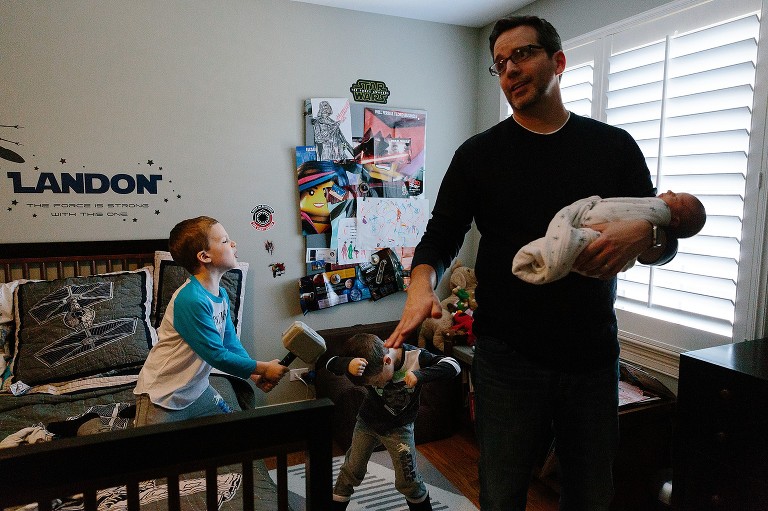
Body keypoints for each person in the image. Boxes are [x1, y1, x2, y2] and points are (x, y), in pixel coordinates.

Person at [385, 15, 698, 511]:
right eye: (500, 64)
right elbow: (439, 238)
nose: (509, 70)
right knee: (503, 492)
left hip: (592, 356)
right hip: (508, 358)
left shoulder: (613, 147)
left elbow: (662, 240)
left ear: (558, 61)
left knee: (591, 492)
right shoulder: (478, 156)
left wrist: (648, 231)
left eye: (522, 55)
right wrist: (421, 288)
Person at [134, 216, 289, 426]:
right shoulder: (191, 299)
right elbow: (217, 355)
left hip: (197, 391)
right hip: (163, 396)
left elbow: (229, 341)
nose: (233, 243)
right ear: (204, 256)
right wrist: (263, 368)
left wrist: (253, 375)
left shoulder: (221, 294)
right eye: (225, 240)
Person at [327, 333, 460, 511]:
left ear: (387, 361)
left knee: (408, 481)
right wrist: (346, 364)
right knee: (351, 470)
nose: (377, 385)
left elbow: (454, 366)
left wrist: (421, 375)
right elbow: (329, 364)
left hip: (400, 428)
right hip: (368, 423)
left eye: (377, 381)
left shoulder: (416, 357)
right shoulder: (371, 361)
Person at [513, 190, 706, 283]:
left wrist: (649, 234)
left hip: (589, 330)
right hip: (498, 331)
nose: (670, 192)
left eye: (677, 198)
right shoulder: (487, 147)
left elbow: (669, 246)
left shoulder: (619, 144)